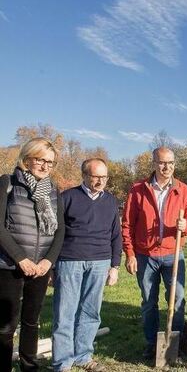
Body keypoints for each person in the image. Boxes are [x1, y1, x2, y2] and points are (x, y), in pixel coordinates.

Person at [121, 147, 187, 361]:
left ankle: (176, 342)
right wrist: (130, 253)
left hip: (173, 254)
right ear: (154, 163)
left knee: (177, 299)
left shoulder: (183, 190)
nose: (167, 167)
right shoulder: (138, 190)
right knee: (148, 301)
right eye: (163, 163)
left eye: (171, 163)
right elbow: (127, 224)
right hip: (145, 255)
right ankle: (152, 343)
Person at [0, 137, 65, 372]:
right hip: (10, 266)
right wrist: (21, 259)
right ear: (27, 158)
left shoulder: (54, 191)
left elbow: (60, 230)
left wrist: (48, 261)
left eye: (51, 162)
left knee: (32, 322)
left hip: (40, 268)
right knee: (6, 326)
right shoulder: (8, 183)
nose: (45, 166)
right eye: (40, 159)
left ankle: (30, 366)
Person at [52, 158, 122, 372]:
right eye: (96, 176)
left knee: (91, 312)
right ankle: (62, 362)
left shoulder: (111, 201)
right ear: (84, 175)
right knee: (65, 313)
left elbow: (116, 235)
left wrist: (115, 267)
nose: (100, 181)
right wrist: (52, 265)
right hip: (70, 261)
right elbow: (55, 233)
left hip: (100, 262)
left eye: (104, 177)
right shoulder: (67, 198)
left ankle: (83, 356)